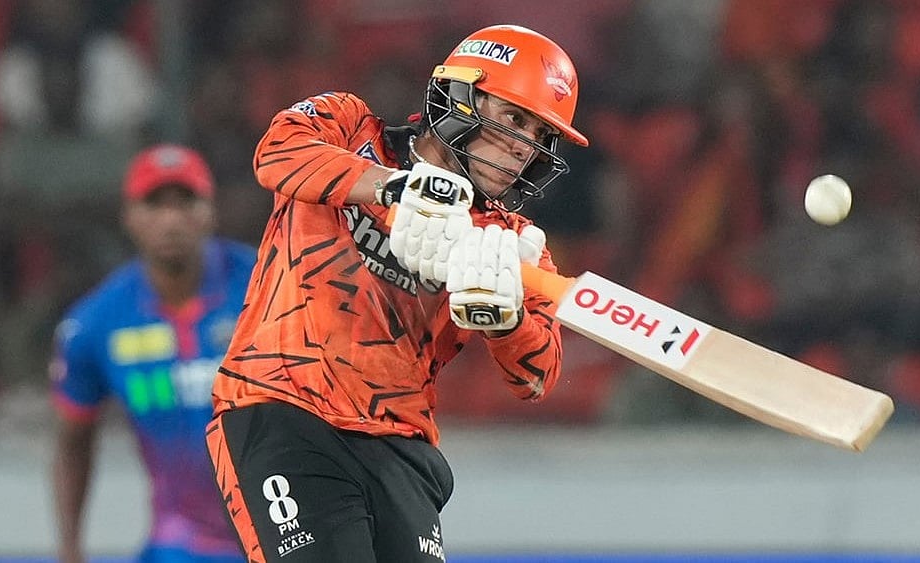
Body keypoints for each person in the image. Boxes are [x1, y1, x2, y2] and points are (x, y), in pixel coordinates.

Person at [205, 24, 588, 561]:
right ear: (460, 98)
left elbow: (536, 377)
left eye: (540, 136)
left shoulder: (513, 244)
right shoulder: (347, 125)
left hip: (401, 447)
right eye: (514, 121)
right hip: (284, 411)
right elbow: (276, 155)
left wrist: (505, 323)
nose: (525, 149)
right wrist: (396, 188)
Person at [50, 144, 255, 563]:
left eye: (186, 203)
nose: (171, 221)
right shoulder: (95, 323)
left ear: (210, 212)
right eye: (154, 204)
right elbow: (74, 441)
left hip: (283, 532)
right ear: (129, 217)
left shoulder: (268, 286)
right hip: (179, 543)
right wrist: (70, 549)